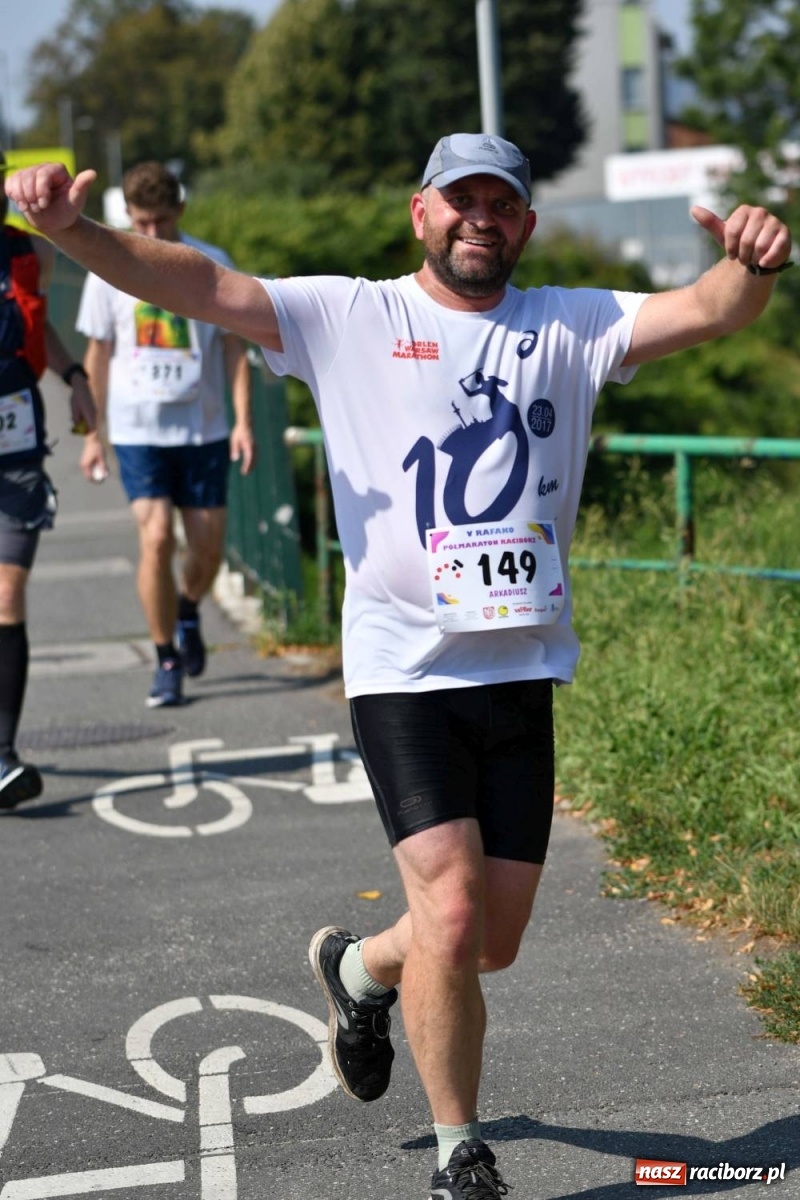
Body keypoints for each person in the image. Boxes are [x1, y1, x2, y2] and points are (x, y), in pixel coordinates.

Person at [7, 134, 792, 1197]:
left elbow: (703, 310)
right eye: (458, 200)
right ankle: (460, 1149)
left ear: (522, 223)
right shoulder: (353, 317)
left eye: (499, 203)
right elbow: (198, 282)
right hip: (401, 670)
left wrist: (747, 263)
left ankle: (355, 967)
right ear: (419, 214)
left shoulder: (566, 322)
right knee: (455, 915)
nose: (480, 218)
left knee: (482, 943)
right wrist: (70, 231)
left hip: (519, 669)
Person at [76, 161, 256, 708]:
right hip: (137, 430)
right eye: (142, 223)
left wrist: (243, 420)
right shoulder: (107, 267)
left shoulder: (211, 264)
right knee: (156, 539)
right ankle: (166, 658)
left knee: (206, 548)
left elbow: (233, 345)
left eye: (161, 222)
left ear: (179, 210)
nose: (151, 235)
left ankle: (186, 610)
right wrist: (91, 432)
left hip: (202, 428)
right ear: (128, 216)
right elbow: (97, 353)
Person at [0, 149, 97, 810]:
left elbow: (41, 333)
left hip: (17, 446)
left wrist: (76, 378)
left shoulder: (26, 253)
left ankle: (4, 756)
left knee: (8, 594)